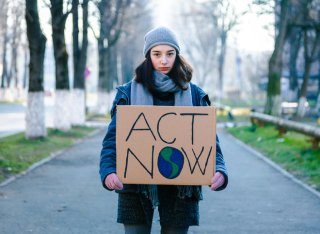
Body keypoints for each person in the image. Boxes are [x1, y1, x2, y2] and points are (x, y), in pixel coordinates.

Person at [99, 26, 228, 234]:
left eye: (170, 54)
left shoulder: (195, 94)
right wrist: (108, 172)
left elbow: (209, 143)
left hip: (181, 190)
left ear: (177, 55)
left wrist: (220, 171)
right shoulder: (128, 93)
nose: (164, 61)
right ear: (148, 56)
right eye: (156, 54)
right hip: (136, 187)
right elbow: (112, 141)